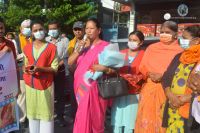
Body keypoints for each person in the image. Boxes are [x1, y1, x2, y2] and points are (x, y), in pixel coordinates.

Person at [134, 21, 183, 133]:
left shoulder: (180, 52)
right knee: (145, 121)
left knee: (162, 122)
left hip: (166, 91)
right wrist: (150, 74)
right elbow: (143, 66)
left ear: (176, 34)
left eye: (167, 32)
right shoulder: (151, 48)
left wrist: (163, 76)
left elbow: (180, 74)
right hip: (149, 89)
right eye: (162, 32)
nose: (164, 34)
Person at [68, 18, 114, 133]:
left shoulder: (107, 46)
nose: (88, 31)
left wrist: (105, 68)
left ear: (99, 30)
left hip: (96, 90)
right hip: (80, 90)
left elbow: (115, 70)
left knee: (96, 120)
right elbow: (69, 62)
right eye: (87, 28)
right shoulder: (83, 48)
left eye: (91, 28)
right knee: (81, 117)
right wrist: (78, 50)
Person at [162, 25, 200, 132]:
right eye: (181, 37)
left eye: (184, 38)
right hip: (172, 106)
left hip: (191, 111)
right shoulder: (179, 56)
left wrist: (187, 98)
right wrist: (169, 94)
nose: (181, 41)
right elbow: (166, 76)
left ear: (196, 40)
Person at [23, 20, 58, 133]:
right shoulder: (27, 48)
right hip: (30, 87)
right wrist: (25, 69)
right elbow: (25, 65)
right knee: (33, 119)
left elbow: (54, 69)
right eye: (35, 30)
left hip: (45, 87)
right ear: (32, 33)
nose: (38, 32)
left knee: (46, 118)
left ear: (44, 30)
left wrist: (40, 69)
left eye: (40, 29)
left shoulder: (52, 48)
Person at [111, 31, 145, 133]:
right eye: (130, 40)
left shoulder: (144, 55)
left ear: (141, 42)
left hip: (134, 93)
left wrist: (137, 77)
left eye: (135, 40)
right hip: (119, 91)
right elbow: (113, 69)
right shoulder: (121, 53)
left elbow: (146, 72)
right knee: (118, 119)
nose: (131, 42)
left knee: (130, 121)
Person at [46, 20, 69, 127]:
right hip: (47, 72)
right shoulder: (45, 40)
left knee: (60, 95)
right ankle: (49, 116)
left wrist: (56, 66)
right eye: (50, 29)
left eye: (54, 28)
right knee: (48, 94)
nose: (52, 31)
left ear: (58, 29)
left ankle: (60, 117)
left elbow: (65, 57)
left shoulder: (65, 41)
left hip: (60, 71)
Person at [66, 21, 85, 120]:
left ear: (83, 30)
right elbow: (69, 58)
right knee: (73, 95)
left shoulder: (88, 41)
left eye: (79, 29)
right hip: (72, 72)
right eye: (75, 29)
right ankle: (75, 116)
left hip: (83, 73)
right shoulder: (71, 42)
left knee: (82, 95)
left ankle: (82, 115)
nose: (77, 32)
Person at [15, 19, 32, 127]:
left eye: (29, 26)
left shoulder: (33, 39)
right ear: (21, 29)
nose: (27, 29)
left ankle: (30, 116)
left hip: (33, 71)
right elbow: (14, 56)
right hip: (21, 71)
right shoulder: (16, 40)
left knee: (31, 95)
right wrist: (25, 54)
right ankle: (22, 119)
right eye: (25, 27)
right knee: (22, 95)